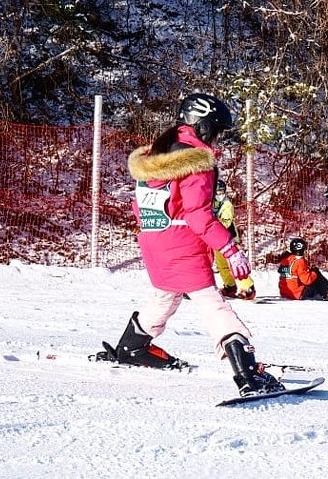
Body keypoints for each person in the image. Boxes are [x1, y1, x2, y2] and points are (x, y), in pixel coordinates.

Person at [106, 92, 283, 397]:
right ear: (203, 125)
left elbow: (139, 208)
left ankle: (132, 347)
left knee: (166, 296)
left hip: (153, 240)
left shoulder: (155, 155)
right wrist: (229, 248)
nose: (217, 139)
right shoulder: (195, 161)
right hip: (181, 242)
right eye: (216, 130)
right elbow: (199, 216)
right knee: (211, 303)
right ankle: (248, 375)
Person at [212, 179, 256, 301]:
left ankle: (248, 287)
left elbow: (226, 222)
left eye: (221, 192)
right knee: (222, 265)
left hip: (227, 238)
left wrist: (212, 225)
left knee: (234, 263)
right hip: (215, 238)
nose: (219, 194)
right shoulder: (210, 202)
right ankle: (230, 286)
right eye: (217, 192)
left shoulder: (226, 204)